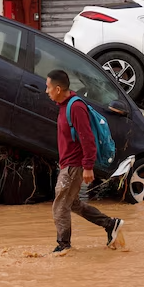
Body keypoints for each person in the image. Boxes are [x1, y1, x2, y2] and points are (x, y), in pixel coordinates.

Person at [45, 69, 124, 255]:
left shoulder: (76, 107)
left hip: (74, 165)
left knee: (60, 204)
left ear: (57, 88)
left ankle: (63, 246)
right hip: (68, 164)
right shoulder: (64, 106)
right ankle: (110, 224)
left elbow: (87, 138)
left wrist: (88, 167)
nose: (46, 91)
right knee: (72, 204)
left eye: (48, 87)